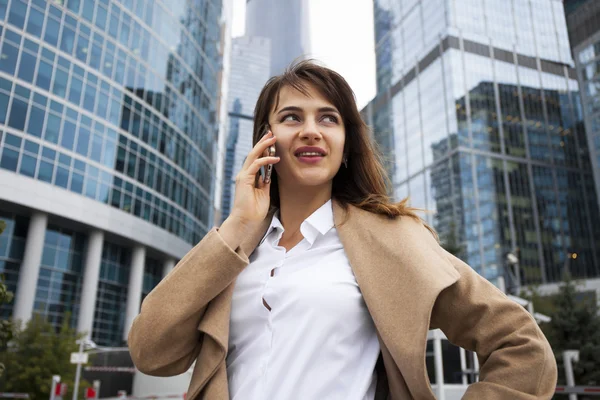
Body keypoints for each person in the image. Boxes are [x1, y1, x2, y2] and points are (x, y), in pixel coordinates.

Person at [128, 60, 557, 400]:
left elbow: (520, 343)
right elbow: (150, 351)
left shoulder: (393, 239)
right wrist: (238, 225)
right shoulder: (234, 249)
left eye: (328, 118)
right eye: (292, 117)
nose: (311, 130)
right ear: (267, 139)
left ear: (346, 142)